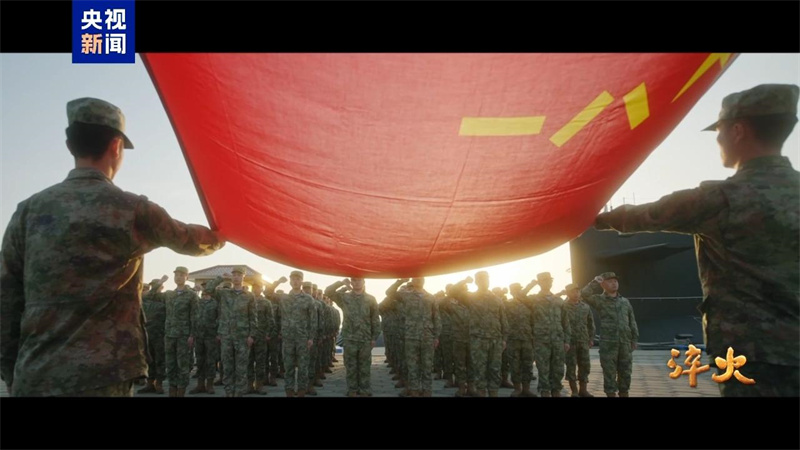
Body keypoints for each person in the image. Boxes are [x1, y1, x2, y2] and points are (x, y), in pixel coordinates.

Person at [0, 97, 224, 397]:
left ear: (70, 145)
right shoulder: (132, 209)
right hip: (104, 376)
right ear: (116, 146)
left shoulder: (27, 212)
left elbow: (6, 298)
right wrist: (225, 233)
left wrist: (11, 370)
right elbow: (189, 239)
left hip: (36, 373)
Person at [594, 84, 799, 397]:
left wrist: (587, 216)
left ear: (738, 130)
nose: (718, 139)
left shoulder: (718, 199)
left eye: (719, 130)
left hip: (753, 353)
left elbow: (647, 215)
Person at [580, 272, 638, 397]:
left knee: (626, 372)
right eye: (610, 281)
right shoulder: (599, 300)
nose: (614, 283)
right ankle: (611, 394)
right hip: (608, 343)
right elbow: (584, 294)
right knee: (609, 372)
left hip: (625, 342)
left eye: (615, 281)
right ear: (603, 284)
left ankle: (624, 393)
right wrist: (595, 282)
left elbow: (631, 320)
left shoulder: (625, 302)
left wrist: (634, 339)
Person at [325, 277, 381, 397]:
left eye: (359, 280)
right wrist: (342, 283)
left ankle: (364, 389)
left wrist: (374, 337)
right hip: (349, 338)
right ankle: (352, 390)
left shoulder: (370, 299)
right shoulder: (344, 297)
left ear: (364, 282)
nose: (356, 283)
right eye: (354, 280)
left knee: (365, 367)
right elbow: (328, 291)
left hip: (365, 339)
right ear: (351, 282)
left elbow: (375, 319)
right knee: (350, 366)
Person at [384, 278, 440, 397]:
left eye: (420, 278)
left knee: (427, 366)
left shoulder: (431, 298)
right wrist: (400, 281)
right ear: (412, 281)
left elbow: (436, 317)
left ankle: (427, 391)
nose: (418, 280)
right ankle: (414, 390)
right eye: (415, 278)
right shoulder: (406, 296)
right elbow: (389, 292)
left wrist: (436, 336)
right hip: (411, 336)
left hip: (427, 336)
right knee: (412, 366)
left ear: (424, 280)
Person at [559, 283, 595, 397]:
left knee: (585, 365)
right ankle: (574, 391)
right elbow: (560, 324)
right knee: (571, 366)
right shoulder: (563, 307)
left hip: (583, 340)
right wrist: (563, 340)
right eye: (573, 292)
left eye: (577, 291)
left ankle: (583, 390)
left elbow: (590, 323)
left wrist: (591, 338)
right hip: (569, 342)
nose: (576, 294)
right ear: (567, 293)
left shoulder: (585, 307)